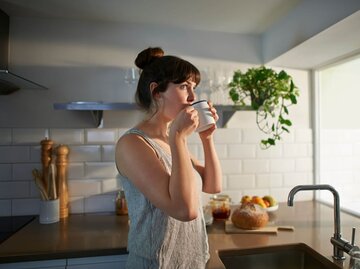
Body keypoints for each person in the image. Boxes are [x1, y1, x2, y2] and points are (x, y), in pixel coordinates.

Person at [115, 47, 222, 269]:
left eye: (194, 88)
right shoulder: (133, 144)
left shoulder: (170, 138)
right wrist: (179, 139)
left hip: (189, 260)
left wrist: (206, 137)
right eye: (184, 87)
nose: (193, 97)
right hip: (155, 263)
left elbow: (212, 185)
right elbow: (185, 211)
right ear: (156, 92)